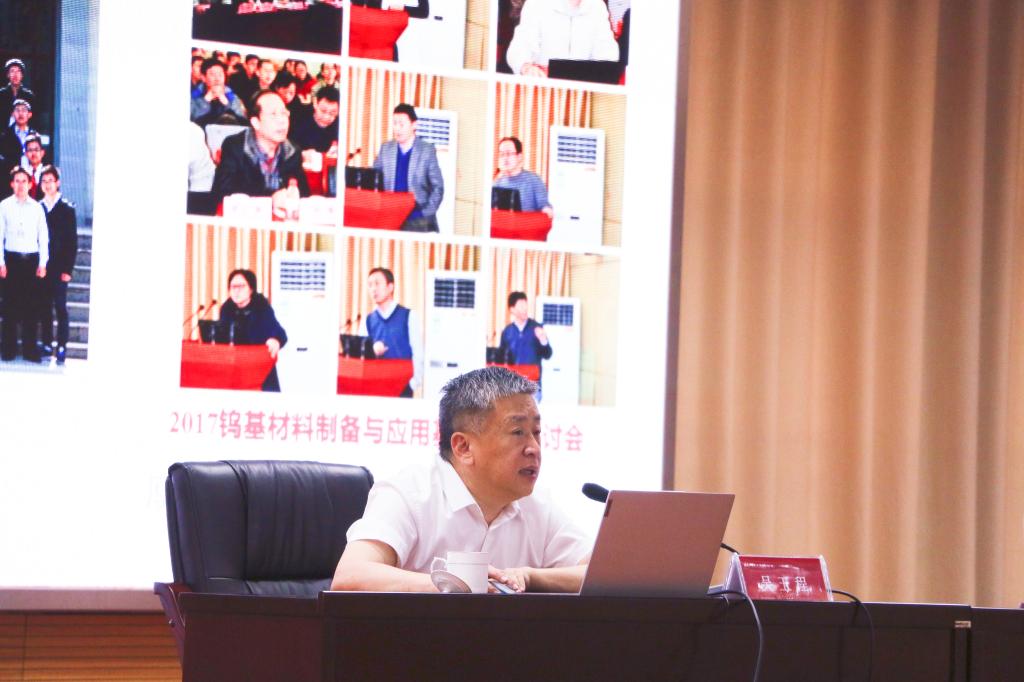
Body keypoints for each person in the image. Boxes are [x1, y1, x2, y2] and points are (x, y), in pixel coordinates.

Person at [331, 366, 590, 593]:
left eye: (536, 432)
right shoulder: (411, 493)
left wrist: (530, 577)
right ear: (463, 447)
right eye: (517, 432)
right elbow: (351, 576)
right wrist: (455, 586)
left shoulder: (537, 505)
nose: (534, 448)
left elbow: (597, 575)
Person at [212, 90, 310, 219]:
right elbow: (222, 193)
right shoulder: (235, 147)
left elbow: (303, 194)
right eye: (273, 115)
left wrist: (294, 194)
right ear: (256, 122)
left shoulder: (292, 151)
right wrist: (270, 200)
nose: (282, 121)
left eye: (284, 113)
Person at [0, 167, 48, 362]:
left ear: (30, 184)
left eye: (24, 181)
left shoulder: (37, 208)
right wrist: (1, 262)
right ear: (12, 184)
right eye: (17, 181)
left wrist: (43, 263)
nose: (20, 185)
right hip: (11, 261)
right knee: (9, 307)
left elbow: (43, 237)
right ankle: (8, 350)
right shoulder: (4, 206)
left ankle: (30, 350)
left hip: (31, 262)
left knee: (31, 308)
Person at [372, 103, 444, 232]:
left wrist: (424, 213)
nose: (397, 129)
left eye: (401, 124)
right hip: (390, 215)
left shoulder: (426, 151)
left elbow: (438, 187)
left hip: (417, 218)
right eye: (394, 123)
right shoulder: (386, 148)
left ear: (414, 125)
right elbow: (374, 179)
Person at [505, 0, 619, 77]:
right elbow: (519, 48)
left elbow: (608, 55)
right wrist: (525, 67)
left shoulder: (597, 7)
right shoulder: (537, 4)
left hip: (584, 92)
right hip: (543, 90)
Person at [217, 268, 287, 392]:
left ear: (251, 289)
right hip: (235, 369)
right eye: (233, 287)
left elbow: (280, 333)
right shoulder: (226, 308)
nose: (236, 291)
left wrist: (275, 339)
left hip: (259, 369)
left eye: (241, 286)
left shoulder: (261, 307)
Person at [358, 267, 422, 397]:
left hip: (402, 389)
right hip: (375, 388)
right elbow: (361, 357)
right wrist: (372, 350)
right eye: (370, 285)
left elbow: (418, 353)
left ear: (390, 287)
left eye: (377, 283)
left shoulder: (409, 316)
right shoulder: (367, 320)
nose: (373, 289)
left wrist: (412, 383)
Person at [36, 165, 77, 365]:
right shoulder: (38, 207)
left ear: (57, 183)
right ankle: (46, 344)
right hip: (43, 266)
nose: (47, 184)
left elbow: (72, 242)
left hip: (60, 267)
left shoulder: (67, 209)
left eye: (51, 181)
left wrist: (68, 269)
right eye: (44, 181)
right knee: (44, 306)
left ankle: (61, 346)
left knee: (60, 307)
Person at [498, 292, 552, 392]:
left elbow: (548, 355)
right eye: (521, 306)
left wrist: (543, 340)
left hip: (533, 386)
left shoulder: (536, 327)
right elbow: (502, 361)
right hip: (512, 388)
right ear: (512, 309)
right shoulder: (507, 332)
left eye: (526, 305)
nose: (525, 309)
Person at [493, 136, 553, 217]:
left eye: (509, 153)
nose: (505, 158)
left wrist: (547, 210)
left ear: (519, 157)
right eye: (502, 154)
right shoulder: (497, 183)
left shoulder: (534, 180)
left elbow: (544, 207)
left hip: (527, 224)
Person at [190, 58, 248, 127]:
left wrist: (226, 103)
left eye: (220, 75)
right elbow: (192, 122)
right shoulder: (194, 96)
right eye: (212, 75)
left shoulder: (232, 96)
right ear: (203, 78)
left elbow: (242, 123)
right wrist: (206, 100)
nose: (217, 79)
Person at [289, 85, 339, 156]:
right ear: (315, 103)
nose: (326, 117)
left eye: (332, 113)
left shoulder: (341, 124)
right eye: (323, 111)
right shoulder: (298, 119)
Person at [0, 100, 38, 182]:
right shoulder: (5, 136)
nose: (20, 113)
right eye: (17, 110)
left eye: (24, 110)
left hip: (31, 179)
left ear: (29, 114)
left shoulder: (35, 136)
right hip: (10, 179)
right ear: (13, 114)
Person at [0, 59, 35, 125]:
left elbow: (33, 119)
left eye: (18, 71)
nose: (15, 75)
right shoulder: (1, 94)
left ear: (22, 75)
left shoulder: (28, 95)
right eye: (12, 71)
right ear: (8, 75)